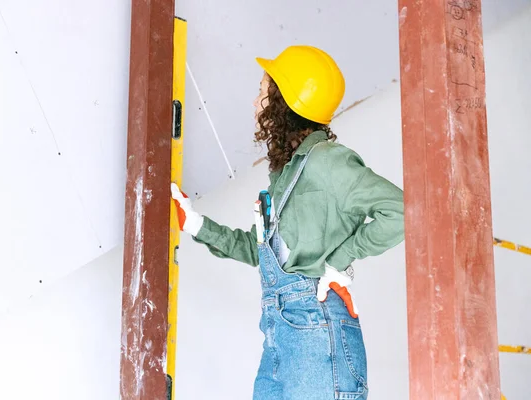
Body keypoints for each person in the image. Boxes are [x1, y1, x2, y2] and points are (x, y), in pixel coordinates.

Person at [171, 45, 404, 400]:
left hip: (316, 328)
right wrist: (195, 224)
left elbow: (401, 210)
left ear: (283, 100)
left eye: (261, 90)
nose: (255, 103)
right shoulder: (287, 172)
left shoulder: (328, 162)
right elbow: (261, 250)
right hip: (281, 332)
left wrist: (340, 262)